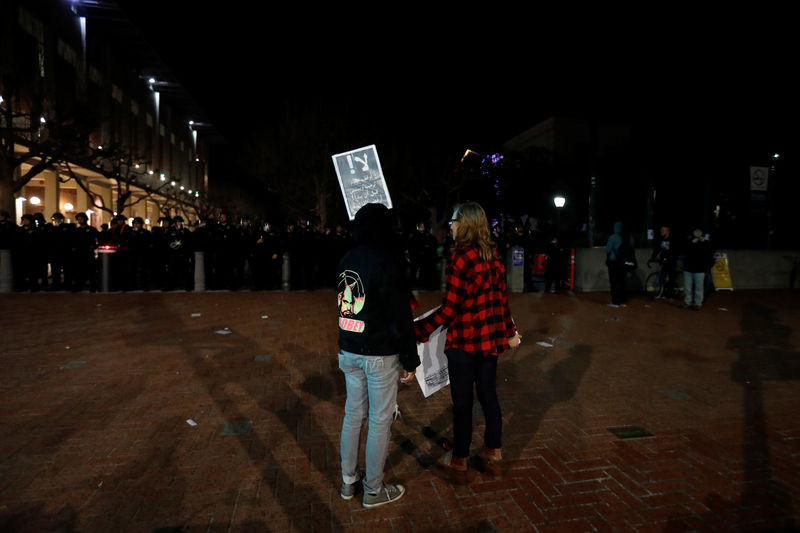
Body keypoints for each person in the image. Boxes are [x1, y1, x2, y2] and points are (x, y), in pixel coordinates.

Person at [414, 202, 521, 478]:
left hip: (463, 342)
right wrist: (509, 333)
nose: (451, 225)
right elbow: (502, 302)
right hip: (489, 343)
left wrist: (419, 330)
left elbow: (450, 309)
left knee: (462, 403)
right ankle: (493, 449)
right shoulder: (494, 256)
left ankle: (460, 456)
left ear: (466, 224)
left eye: (454, 220)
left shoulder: (460, 259)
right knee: (489, 397)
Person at [336, 203, 419, 509]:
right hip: (378, 351)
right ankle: (373, 489)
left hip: (349, 346)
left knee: (353, 415)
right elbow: (399, 317)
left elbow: (347, 303)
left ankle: (348, 480)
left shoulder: (347, 257)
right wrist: (410, 360)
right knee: (380, 420)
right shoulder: (386, 261)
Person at [681, 229, 714, 310]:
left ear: (702, 233)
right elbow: (683, 250)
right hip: (688, 268)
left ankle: (697, 303)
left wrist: (707, 267)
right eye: (696, 232)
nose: (697, 234)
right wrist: (691, 242)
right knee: (687, 287)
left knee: (699, 288)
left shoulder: (705, 243)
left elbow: (709, 255)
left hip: (699, 269)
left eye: (699, 232)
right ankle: (687, 302)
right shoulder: (689, 241)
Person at [604, 221, 634, 307]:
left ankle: (615, 302)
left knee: (614, 282)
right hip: (625, 263)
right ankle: (623, 301)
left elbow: (607, 250)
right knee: (622, 281)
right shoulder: (629, 237)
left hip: (614, 263)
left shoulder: (613, 237)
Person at [649, 225, 676, 299]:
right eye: (661, 230)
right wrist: (652, 257)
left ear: (667, 231)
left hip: (671, 262)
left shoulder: (672, 240)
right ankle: (662, 293)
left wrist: (668, 258)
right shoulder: (662, 239)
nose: (661, 232)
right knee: (662, 278)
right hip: (664, 262)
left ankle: (670, 295)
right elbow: (657, 249)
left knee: (671, 278)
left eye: (663, 230)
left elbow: (673, 252)